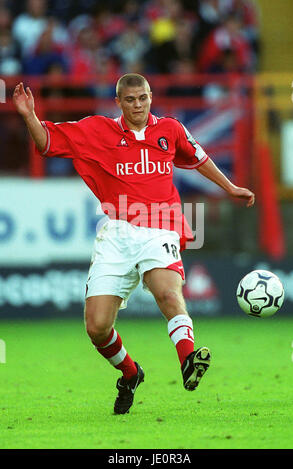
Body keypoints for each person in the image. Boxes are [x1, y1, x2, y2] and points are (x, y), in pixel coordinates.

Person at [13, 74, 255, 414]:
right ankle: (130, 372)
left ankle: (188, 358)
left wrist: (230, 188)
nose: (137, 105)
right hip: (117, 233)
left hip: (161, 226)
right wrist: (29, 116)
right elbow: (48, 143)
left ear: (151, 97)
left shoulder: (170, 129)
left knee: (168, 291)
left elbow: (198, 157)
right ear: (119, 102)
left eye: (143, 98)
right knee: (97, 327)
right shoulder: (97, 131)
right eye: (130, 100)